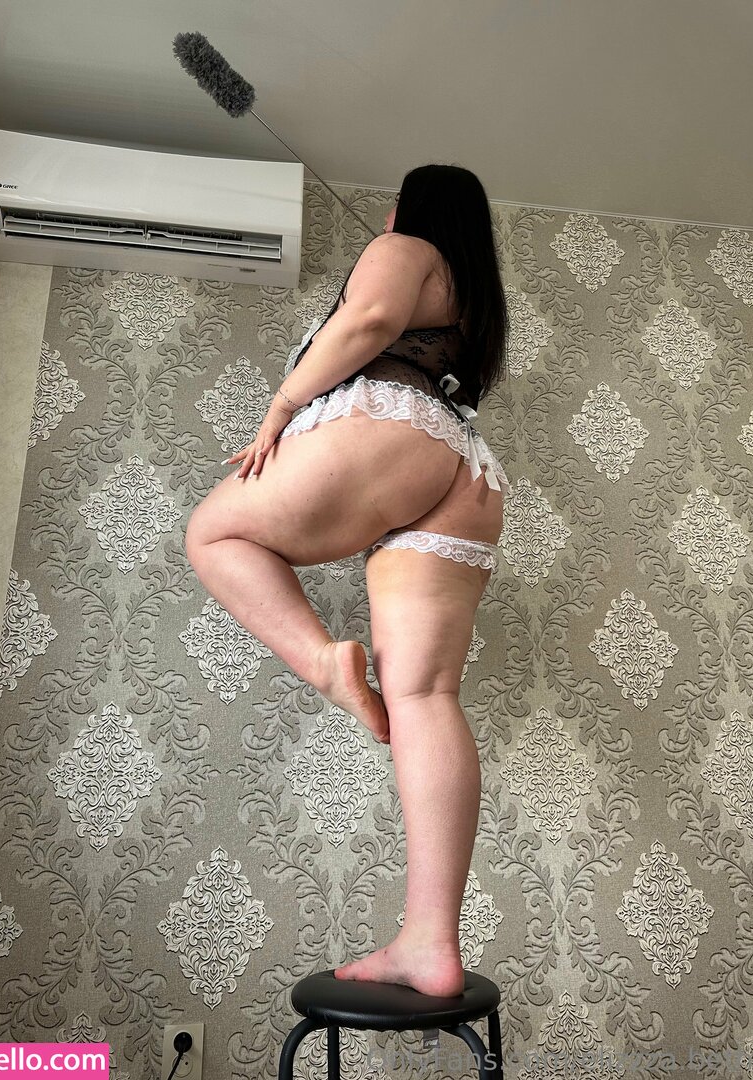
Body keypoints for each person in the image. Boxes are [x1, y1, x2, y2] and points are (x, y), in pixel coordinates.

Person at [185, 164, 509, 998]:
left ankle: (324, 663)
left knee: (212, 532)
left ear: (413, 206)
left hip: (390, 434)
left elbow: (368, 318)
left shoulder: (405, 247)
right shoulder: (474, 298)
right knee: (425, 696)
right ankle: (431, 940)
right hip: (465, 473)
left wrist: (280, 408)